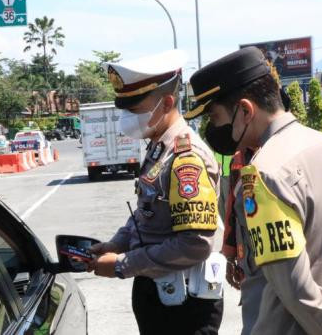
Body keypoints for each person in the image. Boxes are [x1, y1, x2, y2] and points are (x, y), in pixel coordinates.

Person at [184, 47, 322, 334]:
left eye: (215, 117)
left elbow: (296, 290)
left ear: (245, 110)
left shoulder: (264, 175)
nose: (213, 128)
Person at [87, 49, 224, 334]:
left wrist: (123, 265)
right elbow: (147, 213)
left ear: (167, 103)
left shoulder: (186, 158)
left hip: (184, 308)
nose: (127, 117)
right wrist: (117, 243)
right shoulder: (159, 148)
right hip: (163, 296)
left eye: (135, 109)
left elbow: (195, 244)